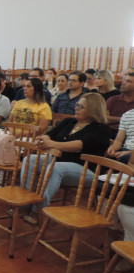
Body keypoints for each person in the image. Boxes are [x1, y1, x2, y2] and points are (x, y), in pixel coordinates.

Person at [21, 93, 111, 225]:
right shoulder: (70, 121)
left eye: (81, 106)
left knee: (56, 168)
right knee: (31, 159)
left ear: (93, 109)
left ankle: (37, 209)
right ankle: (26, 201)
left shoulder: (101, 129)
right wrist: (44, 139)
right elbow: (50, 134)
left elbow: (78, 146)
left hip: (85, 168)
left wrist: (52, 144)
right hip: (59, 160)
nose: (76, 108)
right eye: (77, 105)